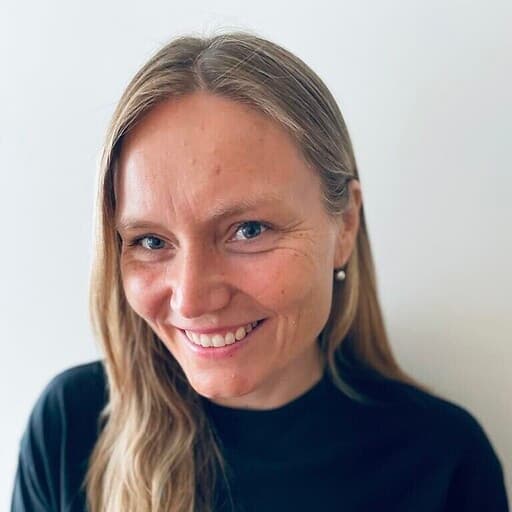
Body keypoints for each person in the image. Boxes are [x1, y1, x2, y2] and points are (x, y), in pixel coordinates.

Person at [11, 32, 508, 512]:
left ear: (345, 224)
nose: (191, 299)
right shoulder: (71, 431)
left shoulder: (445, 463)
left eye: (248, 230)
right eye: (152, 241)